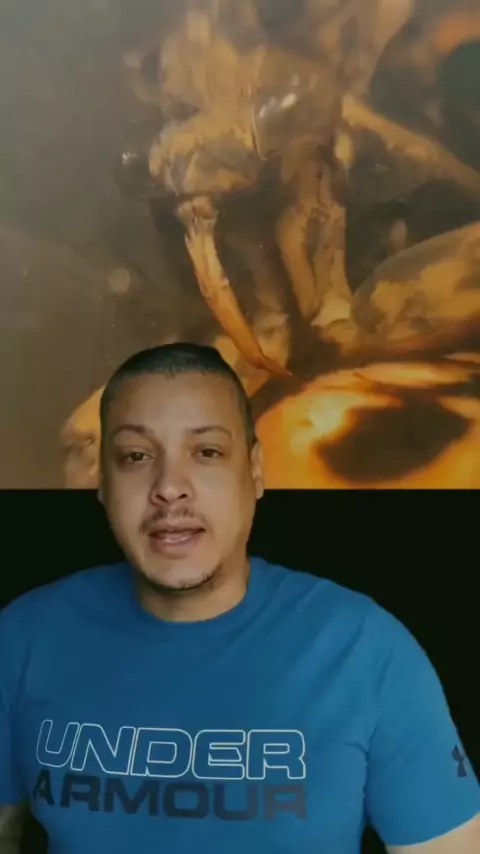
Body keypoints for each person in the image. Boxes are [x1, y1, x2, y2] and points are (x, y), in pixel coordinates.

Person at [0, 342, 479, 854]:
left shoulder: (364, 650)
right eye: (136, 456)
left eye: (207, 452)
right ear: (102, 482)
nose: (170, 488)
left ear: (255, 471)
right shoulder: (24, 637)